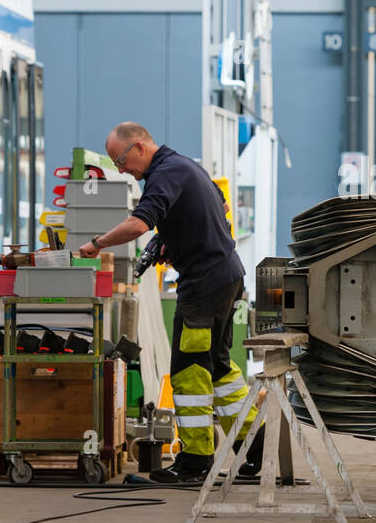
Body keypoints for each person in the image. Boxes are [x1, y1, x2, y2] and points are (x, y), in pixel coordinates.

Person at [79, 122, 262, 483]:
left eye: (120, 160)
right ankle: (255, 452)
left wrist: (97, 244)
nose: (121, 169)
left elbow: (137, 225)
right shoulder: (186, 166)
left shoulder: (163, 174)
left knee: (189, 371)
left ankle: (195, 463)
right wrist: (173, 241)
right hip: (226, 277)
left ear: (139, 147)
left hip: (205, 285)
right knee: (220, 369)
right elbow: (219, 206)